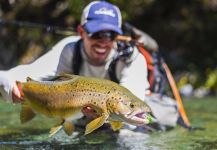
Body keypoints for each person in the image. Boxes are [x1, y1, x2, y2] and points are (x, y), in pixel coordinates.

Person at [0, 1, 179, 131]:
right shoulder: (68, 50)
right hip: (77, 122)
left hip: (123, 127)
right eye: (96, 33)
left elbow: (130, 112)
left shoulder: (132, 59)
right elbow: (19, 75)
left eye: (110, 35)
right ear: (81, 32)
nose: (102, 41)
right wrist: (11, 87)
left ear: (117, 36)